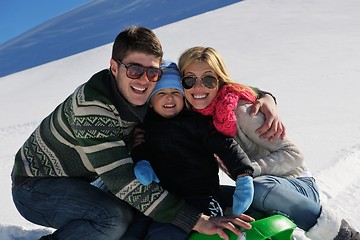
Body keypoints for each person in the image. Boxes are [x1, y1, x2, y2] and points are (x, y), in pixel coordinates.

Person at [10, 27, 260, 240]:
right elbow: (123, 182)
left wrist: (262, 97)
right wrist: (196, 220)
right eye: (134, 70)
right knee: (113, 219)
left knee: (139, 210)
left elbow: (204, 89)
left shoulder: (147, 94)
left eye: (152, 72)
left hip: (88, 179)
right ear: (114, 67)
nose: (144, 79)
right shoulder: (92, 108)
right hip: (36, 186)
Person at [177, 46, 360, 240]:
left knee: (257, 187)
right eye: (190, 80)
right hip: (254, 190)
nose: (198, 87)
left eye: (208, 79)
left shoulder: (243, 112)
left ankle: (344, 236)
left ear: (219, 81)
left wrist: (246, 172)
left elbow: (293, 154)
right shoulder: (198, 121)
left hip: (294, 186)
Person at [129, 61, 255, 239]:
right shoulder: (145, 127)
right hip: (162, 199)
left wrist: (243, 173)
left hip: (200, 197)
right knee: (133, 232)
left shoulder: (196, 122)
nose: (169, 98)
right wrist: (142, 163)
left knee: (165, 234)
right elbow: (140, 149)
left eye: (175, 93)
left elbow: (226, 145)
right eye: (162, 93)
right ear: (150, 102)